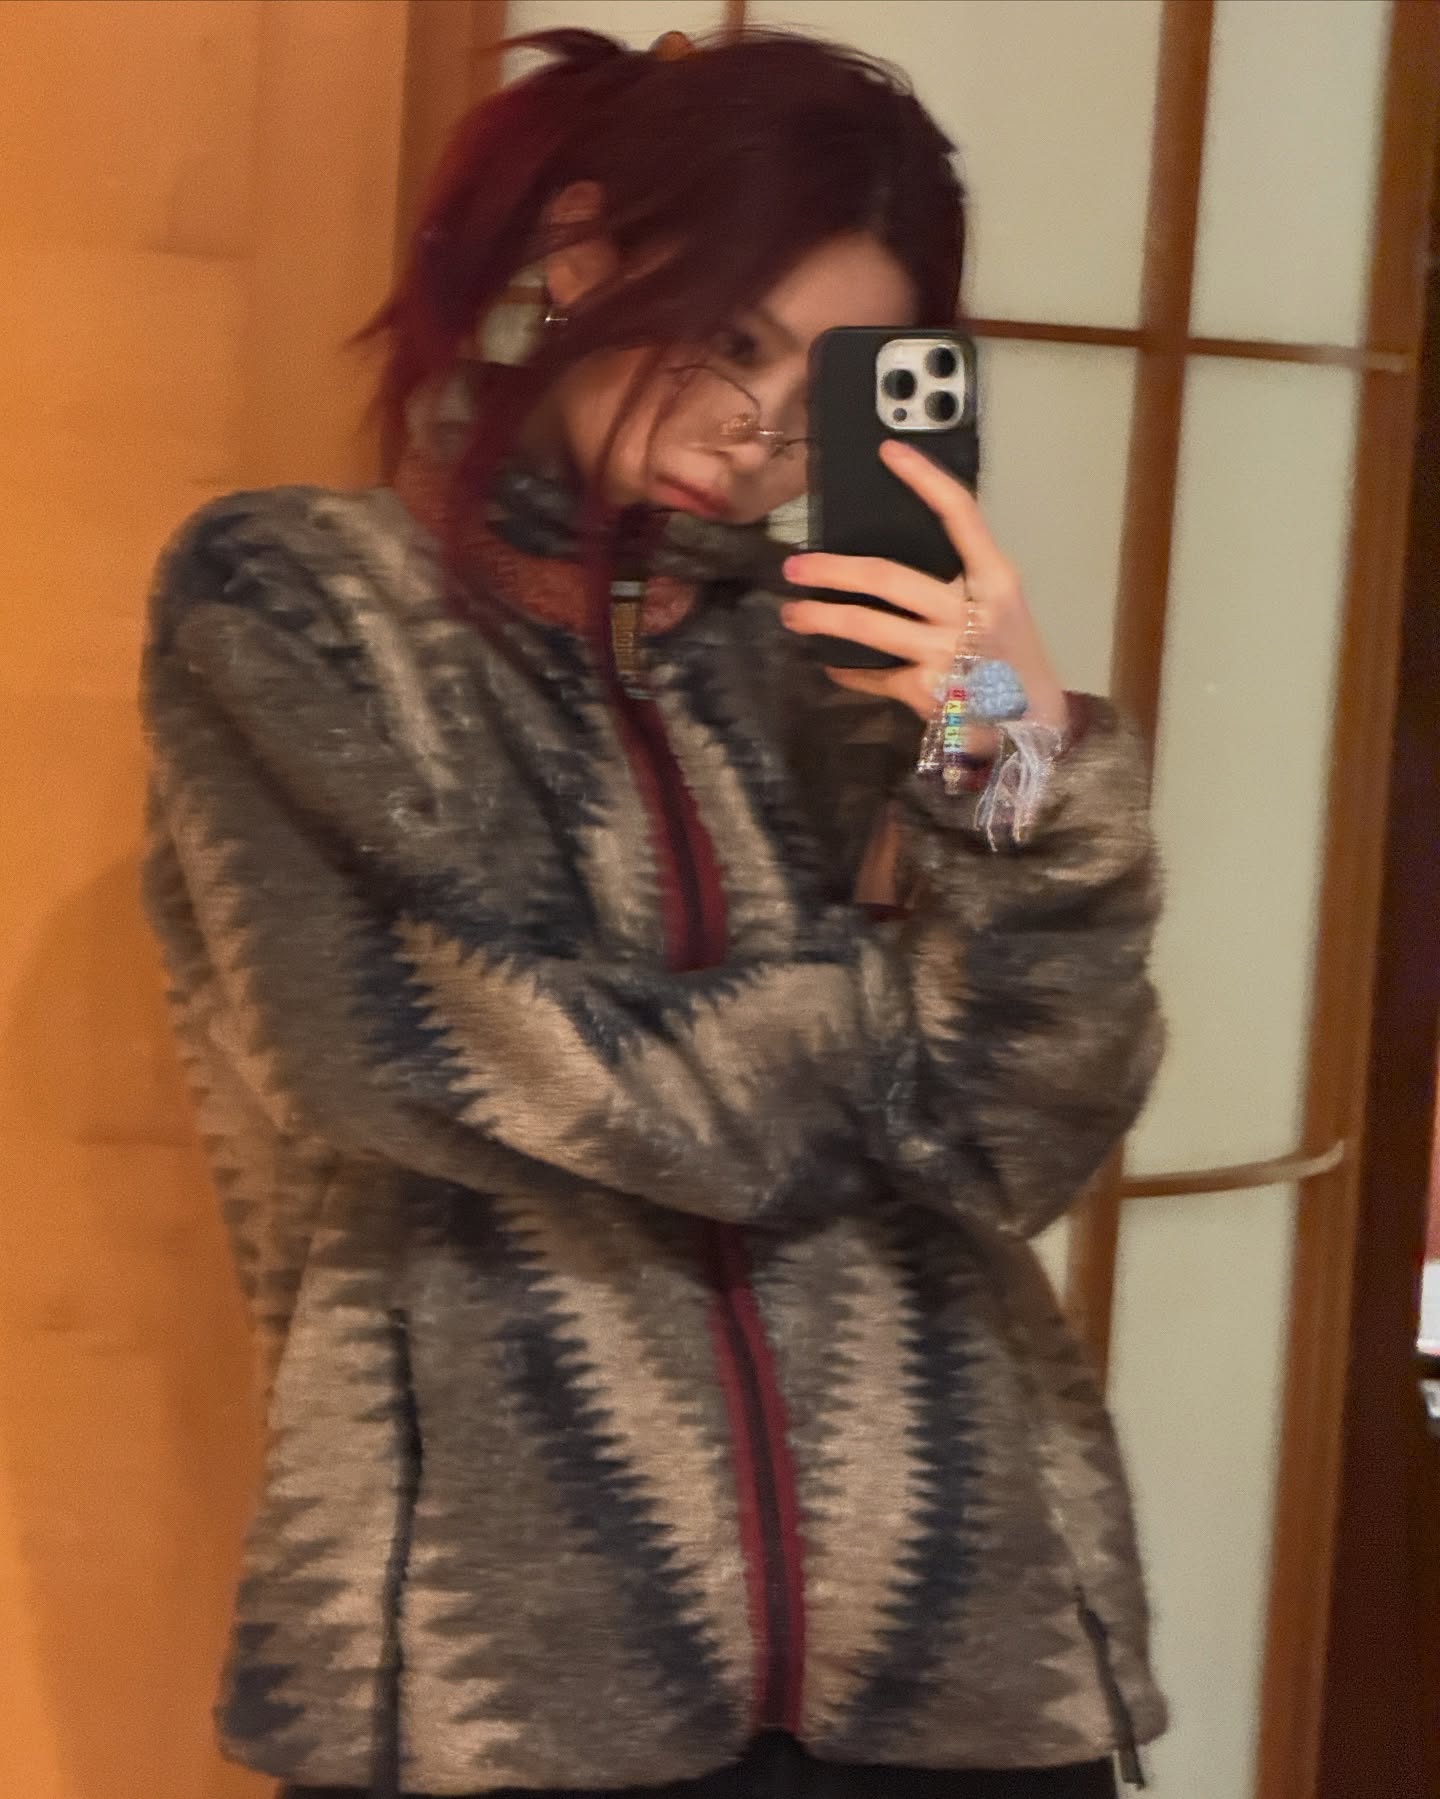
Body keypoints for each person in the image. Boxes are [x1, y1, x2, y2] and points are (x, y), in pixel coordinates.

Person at [140, 27, 1167, 1799]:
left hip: (958, 1630)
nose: (757, 442)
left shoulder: (855, 665)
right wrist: (881, 1030)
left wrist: (1014, 748)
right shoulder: (296, 601)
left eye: (825, 390)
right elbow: (423, 1049)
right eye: (733, 343)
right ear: (582, 253)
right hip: (507, 1668)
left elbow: (1018, 1130)